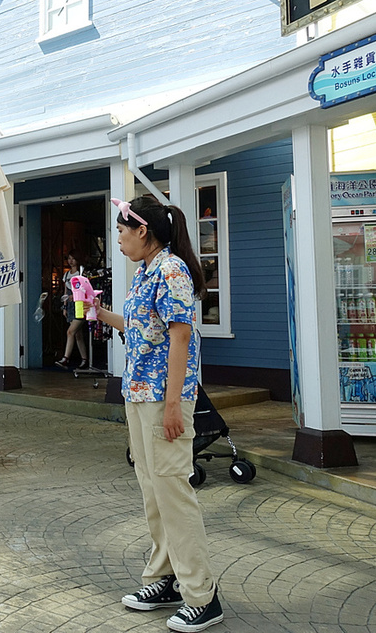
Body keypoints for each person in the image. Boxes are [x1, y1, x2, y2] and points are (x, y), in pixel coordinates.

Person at [94, 195, 223, 633]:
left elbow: (181, 337)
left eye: (121, 230)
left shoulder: (171, 270)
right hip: (139, 396)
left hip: (164, 400)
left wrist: (173, 407)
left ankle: (202, 595)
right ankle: (166, 578)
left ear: (142, 230)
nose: (119, 238)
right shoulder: (145, 271)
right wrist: (98, 312)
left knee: (173, 491)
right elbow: (139, 329)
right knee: (154, 491)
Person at [56, 252, 89, 369]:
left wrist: (75, 296)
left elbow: (86, 289)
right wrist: (64, 306)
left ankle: (65, 358)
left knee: (70, 332)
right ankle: (84, 359)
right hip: (70, 305)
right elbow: (66, 292)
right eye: (69, 259)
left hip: (80, 304)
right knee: (77, 334)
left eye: (73, 258)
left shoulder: (81, 273)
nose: (71, 261)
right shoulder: (66, 275)